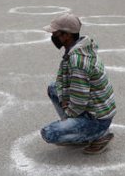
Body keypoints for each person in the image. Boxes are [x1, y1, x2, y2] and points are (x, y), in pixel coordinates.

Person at [41, 13, 116, 155]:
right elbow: (62, 81)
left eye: (56, 33)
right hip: (92, 109)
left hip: (97, 119)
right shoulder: (78, 48)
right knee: (53, 88)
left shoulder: (78, 60)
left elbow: (80, 100)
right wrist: (64, 100)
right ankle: (76, 126)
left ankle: (100, 135)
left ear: (66, 35)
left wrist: (69, 111)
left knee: (49, 133)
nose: (53, 37)